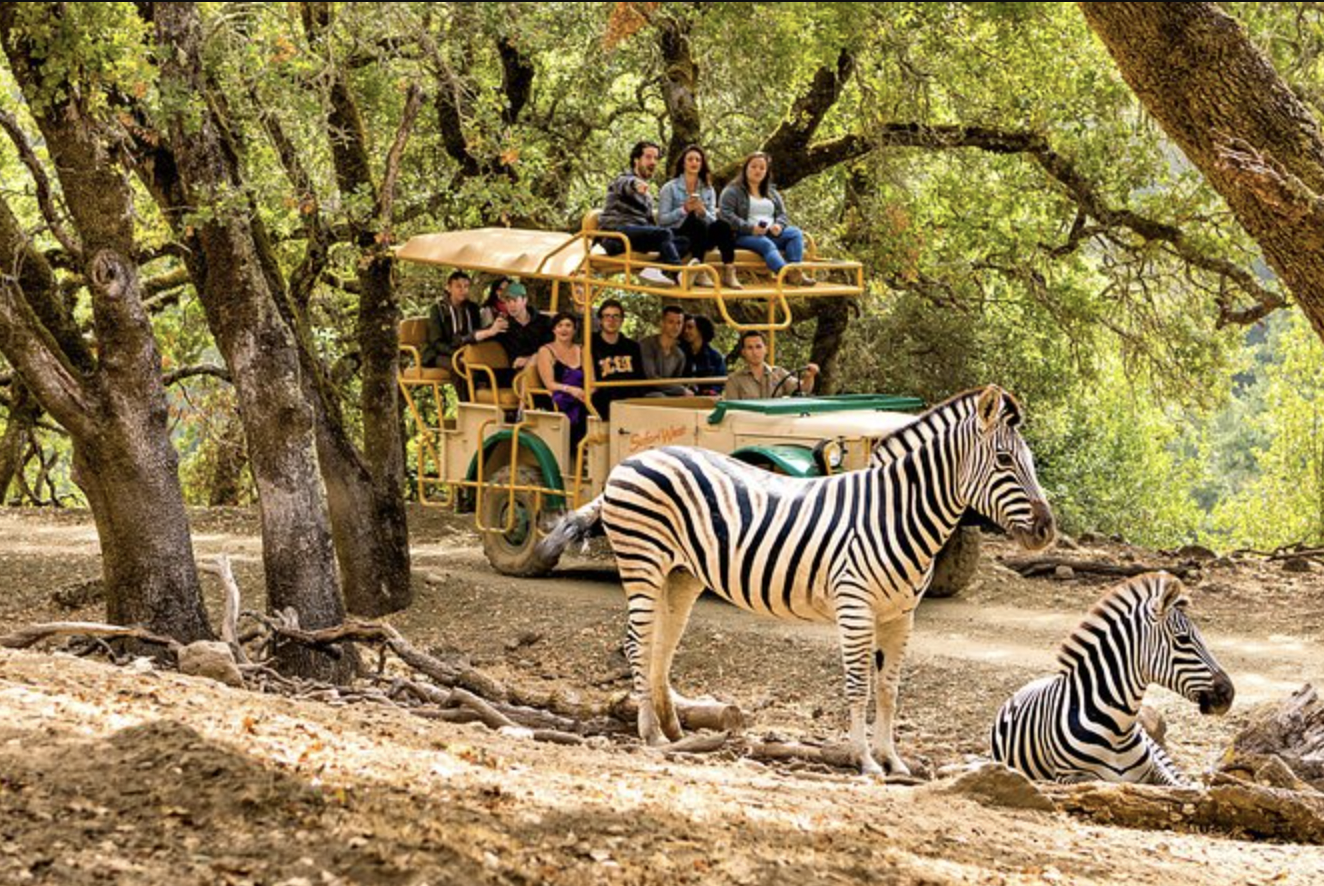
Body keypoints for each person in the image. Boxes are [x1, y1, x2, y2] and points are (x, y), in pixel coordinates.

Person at [598, 141, 689, 288]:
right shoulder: (623, 179)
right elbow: (626, 184)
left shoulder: (647, 194)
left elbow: (649, 224)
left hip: (636, 235)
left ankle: (653, 269)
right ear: (636, 160)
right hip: (616, 235)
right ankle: (678, 273)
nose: (653, 162)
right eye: (648, 157)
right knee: (664, 234)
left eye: (656, 158)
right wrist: (636, 185)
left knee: (684, 241)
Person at [718, 152, 816, 287]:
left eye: (762, 168)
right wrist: (751, 228)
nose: (757, 170)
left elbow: (783, 215)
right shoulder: (732, 191)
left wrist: (779, 225)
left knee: (795, 233)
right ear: (745, 168)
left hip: (771, 232)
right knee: (766, 244)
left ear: (766, 171)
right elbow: (726, 214)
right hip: (744, 235)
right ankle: (785, 274)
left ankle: (795, 272)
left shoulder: (772, 192)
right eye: (753, 167)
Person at [658, 145, 741, 290]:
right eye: (690, 159)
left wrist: (703, 212)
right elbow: (662, 220)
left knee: (722, 225)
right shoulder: (669, 188)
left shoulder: (708, 189)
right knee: (695, 222)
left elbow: (713, 220)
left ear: (702, 164)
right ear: (683, 163)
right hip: (679, 234)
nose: (694, 162)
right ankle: (699, 270)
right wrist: (684, 209)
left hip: (702, 236)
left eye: (698, 160)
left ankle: (729, 271)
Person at [423, 270, 507, 373]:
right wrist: (456, 353)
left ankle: (483, 388)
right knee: (461, 367)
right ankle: (469, 389)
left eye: (466, 286)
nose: (463, 290)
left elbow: (476, 332)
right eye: (458, 286)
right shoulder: (438, 309)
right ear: (449, 288)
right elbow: (436, 341)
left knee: (485, 364)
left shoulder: (472, 308)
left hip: (466, 350)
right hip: (440, 354)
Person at [536, 312, 587, 450]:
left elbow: (590, 377)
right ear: (554, 329)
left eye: (568, 326)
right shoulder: (546, 351)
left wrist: (588, 391)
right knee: (580, 409)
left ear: (574, 330)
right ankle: (576, 451)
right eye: (560, 326)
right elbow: (549, 384)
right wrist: (571, 390)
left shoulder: (581, 350)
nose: (564, 329)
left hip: (581, 393)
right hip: (559, 395)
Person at [590, 298, 646, 419]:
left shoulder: (632, 347)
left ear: (621, 320)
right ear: (600, 320)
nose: (611, 320)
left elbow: (640, 378)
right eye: (607, 316)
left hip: (629, 400)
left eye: (616, 316)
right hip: (603, 400)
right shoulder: (591, 343)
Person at [723, 330, 818, 400]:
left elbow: (802, 389)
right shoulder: (734, 379)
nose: (755, 352)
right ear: (743, 352)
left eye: (758, 347)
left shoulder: (779, 373)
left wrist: (809, 377)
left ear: (766, 349)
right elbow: (732, 410)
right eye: (750, 348)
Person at [493, 281, 553, 387]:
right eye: (507, 301)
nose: (511, 305)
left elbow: (555, 347)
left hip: (546, 367)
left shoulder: (544, 322)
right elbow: (471, 337)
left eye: (515, 300)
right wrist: (490, 331)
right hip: (518, 373)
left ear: (525, 300)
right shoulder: (503, 325)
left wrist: (530, 359)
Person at [640, 304, 691, 397]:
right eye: (671, 322)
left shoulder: (679, 355)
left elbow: (675, 381)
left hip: (667, 394)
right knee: (659, 396)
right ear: (662, 323)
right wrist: (681, 390)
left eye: (679, 323)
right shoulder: (647, 345)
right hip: (644, 393)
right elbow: (651, 378)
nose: (675, 327)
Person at [681, 313, 726, 396]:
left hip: (707, 400)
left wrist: (711, 392)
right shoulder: (678, 354)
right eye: (684, 328)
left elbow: (720, 382)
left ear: (700, 330)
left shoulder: (715, 357)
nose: (685, 331)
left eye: (690, 327)